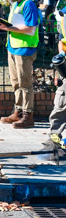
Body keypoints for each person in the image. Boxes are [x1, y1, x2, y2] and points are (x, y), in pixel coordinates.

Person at [0, 0, 39, 129]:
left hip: (25, 49)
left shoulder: (28, 4)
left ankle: (28, 115)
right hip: (13, 48)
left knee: (25, 83)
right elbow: (15, 26)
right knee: (16, 83)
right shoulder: (15, 5)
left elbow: (30, 28)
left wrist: (7, 28)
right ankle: (18, 112)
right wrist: (4, 25)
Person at [49, 12, 66, 148]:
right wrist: (62, 54)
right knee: (61, 103)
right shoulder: (64, 19)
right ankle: (55, 140)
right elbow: (61, 39)